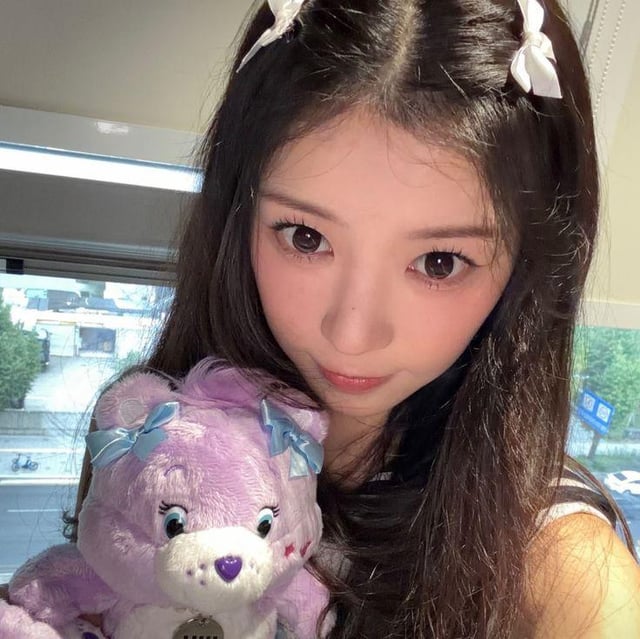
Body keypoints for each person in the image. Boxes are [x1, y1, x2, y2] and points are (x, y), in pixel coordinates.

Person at [10, 0, 640, 637]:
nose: (352, 334)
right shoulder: (156, 441)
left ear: (524, 269)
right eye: (306, 237)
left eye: (440, 262)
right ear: (238, 217)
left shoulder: (564, 573)